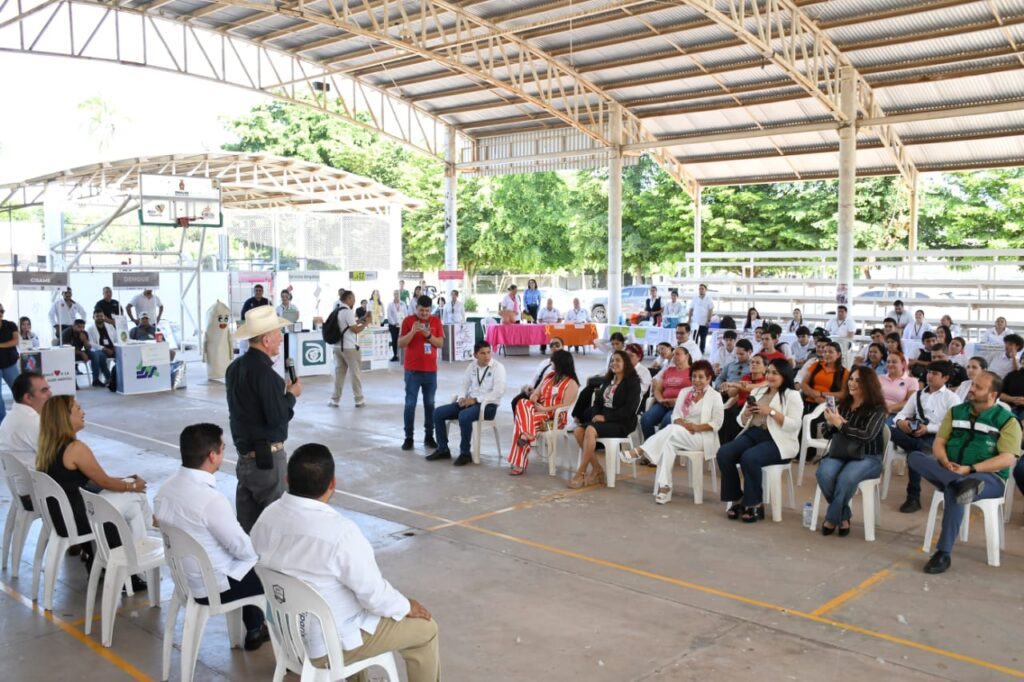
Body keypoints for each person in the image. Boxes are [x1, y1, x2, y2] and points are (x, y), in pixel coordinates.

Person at [251, 445, 439, 679]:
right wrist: (406, 605)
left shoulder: (266, 517)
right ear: (332, 484)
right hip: (326, 647)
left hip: (287, 638)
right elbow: (375, 598)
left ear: (287, 479)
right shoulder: (341, 533)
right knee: (426, 629)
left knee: (343, 607)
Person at [154, 423, 269, 650]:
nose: (223, 454)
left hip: (184, 580)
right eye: (223, 449)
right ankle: (271, 635)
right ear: (212, 456)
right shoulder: (210, 500)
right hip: (214, 587)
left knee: (243, 559)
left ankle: (255, 627)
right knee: (269, 568)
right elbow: (243, 550)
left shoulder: (164, 491)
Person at [908, 371, 1021, 574]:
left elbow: (1007, 458)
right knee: (915, 457)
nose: (972, 389)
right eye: (973, 385)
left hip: (988, 478)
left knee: (956, 491)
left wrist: (970, 469)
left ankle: (943, 553)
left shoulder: (1007, 421)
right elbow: (939, 442)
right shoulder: (956, 411)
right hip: (950, 469)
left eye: (978, 387)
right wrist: (944, 460)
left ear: (993, 394)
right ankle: (957, 482)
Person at [36, 395, 150, 580]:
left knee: (134, 505)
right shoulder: (75, 448)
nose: (83, 412)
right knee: (137, 497)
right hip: (81, 517)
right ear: (65, 417)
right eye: (78, 409)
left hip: (61, 516)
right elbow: (103, 482)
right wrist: (135, 485)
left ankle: (139, 565)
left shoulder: (48, 447)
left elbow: (94, 479)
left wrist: (127, 481)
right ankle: (145, 549)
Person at [226, 305, 301, 532]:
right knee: (275, 527)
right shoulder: (267, 376)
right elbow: (277, 418)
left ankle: (250, 568)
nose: (280, 338)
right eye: (278, 333)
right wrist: (291, 395)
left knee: (247, 527)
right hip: (267, 462)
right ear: (266, 339)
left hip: (244, 458)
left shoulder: (235, 368)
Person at [716, 359, 804, 523]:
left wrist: (770, 412)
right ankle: (737, 498)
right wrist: (746, 414)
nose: (770, 376)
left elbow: (794, 426)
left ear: (785, 375)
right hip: (753, 433)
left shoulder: (792, 396)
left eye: (775, 373)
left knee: (750, 457)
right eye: (768, 372)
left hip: (778, 440)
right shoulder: (758, 391)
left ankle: (754, 502)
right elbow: (740, 421)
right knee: (724, 453)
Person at [627, 361, 723, 504]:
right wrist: (683, 424)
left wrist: (696, 427)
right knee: (668, 444)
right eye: (694, 376)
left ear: (709, 379)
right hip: (681, 433)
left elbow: (717, 423)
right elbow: (675, 416)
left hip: (702, 437)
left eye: (701, 377)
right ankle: (665, 487)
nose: (697, 380)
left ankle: (641, 450)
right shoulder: (685, 392)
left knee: (670, 431)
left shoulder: (715, 396)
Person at [816, 366, 889, 536]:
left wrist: (841, 424)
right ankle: (843, 516)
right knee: (823, 473)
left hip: (868, 456)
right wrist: (829, 422)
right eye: (851, 379)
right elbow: (828, 434)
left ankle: (832, 518)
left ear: (869, 384)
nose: (852, 383)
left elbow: (867, 436)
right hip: (842, 452)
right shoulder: (844, 405)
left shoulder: (877, 408)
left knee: (846, 478)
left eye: (858, 380)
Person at [891, 361, 961, 513]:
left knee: (913, 454)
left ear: (946, 378)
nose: (930, 376)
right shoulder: (918, 395)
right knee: (887, 429)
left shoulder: (952, 398)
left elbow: (952, 425)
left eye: (935, 373)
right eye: (929, 372)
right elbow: (902, 414)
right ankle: (918, 448)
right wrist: (901, 422)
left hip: (936, 437)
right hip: (913, 434)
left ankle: (913, 497)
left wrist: (927, 428)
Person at [569, 350, 642, 488]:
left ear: (626, 363)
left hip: (621, 422)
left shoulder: (633, 383)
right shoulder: (608, 380)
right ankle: (597, 469)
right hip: (604, 421)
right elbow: (597, 403)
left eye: (618, 360)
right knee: (579, 431)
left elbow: (629, 410)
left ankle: (581, 471)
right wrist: (597, 415)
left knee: (590, 430)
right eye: (612, 361)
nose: (614, 363)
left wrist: (606, 417)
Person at [427, 341, 506, 466]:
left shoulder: (498, 368)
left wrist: (475, 400)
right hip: (470, 402)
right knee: (438, 413)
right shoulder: (472, 366)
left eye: (488, 352)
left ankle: (465, 454)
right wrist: (462, 397)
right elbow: (464, 384)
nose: (487, 356)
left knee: (464, 416)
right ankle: (443, 449)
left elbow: (498, 392)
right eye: (482, 353)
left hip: (487, 406)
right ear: (475, 355)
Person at [508, 350, 579, 475]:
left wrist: (544, 409)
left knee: (521, 423)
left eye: (553, 360)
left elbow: (565, 405)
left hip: (554, 420)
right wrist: (534, 397)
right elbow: (537, 392)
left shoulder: (572, 383)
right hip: (537, 412)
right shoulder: (549, 377)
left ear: (561, 363)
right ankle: (527, 434)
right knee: (522, 402)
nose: (551, 362)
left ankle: (519, 462)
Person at [399, 296, 444, 451]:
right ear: (416, 308)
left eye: (427, 310)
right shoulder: (407, 321)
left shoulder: (436, 322)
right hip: (412, 371)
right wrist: (413, 331)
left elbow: (440, 343)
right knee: (410, 404)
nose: (424, 313)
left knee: (430, 404)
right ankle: (409, 437)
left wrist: (428, 335)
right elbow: (401, 343)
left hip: (430, 371)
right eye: (421, 310)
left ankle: (429, 436)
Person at [641, 346, 692, 439]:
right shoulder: (669, 370)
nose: (674, 357)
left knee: (667, 421)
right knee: (645, 419)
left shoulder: (692, 372)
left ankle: (660, 449)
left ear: (687, 356)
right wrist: (661, 400)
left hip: (681, 405)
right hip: (663, 404)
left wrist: (677, 401)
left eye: (678, 354)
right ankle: (650, 446)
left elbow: (694, 393)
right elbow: (658, 389)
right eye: (673, 355)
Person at [328, 290, 366, 409]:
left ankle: (335, 400)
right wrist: (366, 324)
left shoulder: (336, 311)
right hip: (349, 347)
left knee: (339, 374)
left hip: (337, 347)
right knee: (355, 373)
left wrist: (360, 321)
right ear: (348, 299)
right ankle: (359, 399)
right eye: (353, 298)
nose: (354, 301)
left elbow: (348, 325)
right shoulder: (348, 312)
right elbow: (355, 330)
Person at [798, 341, 848, 412]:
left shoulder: (844, 372)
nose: (826, 354)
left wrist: (822, 394)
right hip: (808, 402)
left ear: (838, 355)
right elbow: (803, 384)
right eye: (825, 352)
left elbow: (843, 394)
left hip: (828, 406)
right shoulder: (815, 365)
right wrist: (814, 395)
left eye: (830, 352)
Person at [879, 351, 918, 419]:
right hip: (877, 411)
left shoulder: (912, 381)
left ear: (903, 364)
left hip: (896, 415)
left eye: (894, 362)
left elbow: (909, 402)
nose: (890, 364)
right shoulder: (879, 378)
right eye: (888, 362)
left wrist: (890, 408)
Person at [86, 310, 115, 387]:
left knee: (125, 354)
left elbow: (116, 339)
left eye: (101, 316)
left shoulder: (110, 326)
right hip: (99, 349)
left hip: (112, 348)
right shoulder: (90, 329)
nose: (100, 318)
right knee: (99, 355)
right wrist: (103, 348)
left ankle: (121, 377)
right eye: (97, 316)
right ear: (93, 317)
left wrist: (115, 348)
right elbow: (90, 342)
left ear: (104, 317)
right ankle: (103, 378)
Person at [0, 303, 21, 401]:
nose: (0, 313)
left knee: (20, 391)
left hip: (10, 364)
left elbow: (15, 341)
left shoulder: (10, 325)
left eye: (2, 311)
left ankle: (25, 414)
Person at [687, 284, 714, 351]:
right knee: (694, 338)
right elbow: (691, 309)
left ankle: (702, 351)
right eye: (699, 289)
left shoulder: (709, 299)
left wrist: (709, 320)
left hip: (704, 322)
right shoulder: (695, 298)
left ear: (705, 290)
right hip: (695, 322)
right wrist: (689, 319)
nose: (700, 290)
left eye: (702, 289)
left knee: (703, 338)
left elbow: (710, 310)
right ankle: (694, 351)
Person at [386, 290, 404, 362]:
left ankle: (401, 355)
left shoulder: (403, 303)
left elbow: (405, 313)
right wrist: (394, 323)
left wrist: (403, 322)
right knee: (394, 340)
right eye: (395, 294)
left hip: (401, 325)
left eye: (397, 294)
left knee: (402, 340)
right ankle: (395, 355)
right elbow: (389, 315)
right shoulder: (390, 304)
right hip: (393, 326)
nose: (396, 295)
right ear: (393, 295)